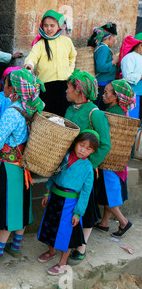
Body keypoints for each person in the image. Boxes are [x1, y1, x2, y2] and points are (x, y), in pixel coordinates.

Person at [0, 68, 45, 263]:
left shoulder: (11, 113)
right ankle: (15, 246)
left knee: (6, 208)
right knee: (21, 205)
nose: (3, 86)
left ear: (12, 88)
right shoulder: (31, 108)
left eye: (5, 84)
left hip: (7, 166)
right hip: (22, 165)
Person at [64, 69, 111, 265]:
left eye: (69, 87)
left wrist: (88, 166)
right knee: (71, 205)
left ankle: (82, 247)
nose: (66, 91)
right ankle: (67, 240)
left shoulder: (95, 113)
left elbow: (105, 144)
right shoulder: (69, 110)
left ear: (79, 90)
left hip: (85, 171)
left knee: (87, 207)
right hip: (69, 167)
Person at [37, 131, 98, 275]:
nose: (83, 150)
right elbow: (54, 173)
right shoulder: (64, 157)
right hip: (55, 197)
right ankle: (51, 251)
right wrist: (47, 192)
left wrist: (78, 212)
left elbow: (85, 192)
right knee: (50, 226)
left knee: (66, 232)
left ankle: (62, 263)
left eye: (88, 148)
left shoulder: (88, 168)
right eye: (81, 145)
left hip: (70, 203)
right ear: (75, 143)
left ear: (93, 151)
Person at [94, 79, 135, 237]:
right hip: (119, 162)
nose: (103, 95)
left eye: (106, 93)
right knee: (110, 192)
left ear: (116, 97)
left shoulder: (112, 114)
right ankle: (104, 223)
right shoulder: (121, 110)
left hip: (110, 161)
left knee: (109, 194)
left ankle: (123, 222)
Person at [24, 9, 76, 116]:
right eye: (46, 25)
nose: (49, 29)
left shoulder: (67, 42)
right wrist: (29, 64)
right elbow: (32, 57)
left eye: (52, 25)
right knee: (47, 116)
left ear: (59, 26)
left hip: (64, 86)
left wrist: (70, 72)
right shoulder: (40, 44)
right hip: (46, 87)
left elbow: (72, 57)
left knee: (62, 116)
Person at [87, 23, 118, 111]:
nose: (114, 40)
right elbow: (101, 67)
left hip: (104, 84)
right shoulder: (103, 48)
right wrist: (113, 61)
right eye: (114, 38)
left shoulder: (103, 48)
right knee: (99, 108)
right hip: (102, 85)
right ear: (109, 37)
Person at [119, 33, 142, 120]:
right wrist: (140, 77)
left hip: (140, 94)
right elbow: (127, 76)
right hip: (133, 96)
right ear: (140, 45)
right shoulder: (129, 57)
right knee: (133, 121)